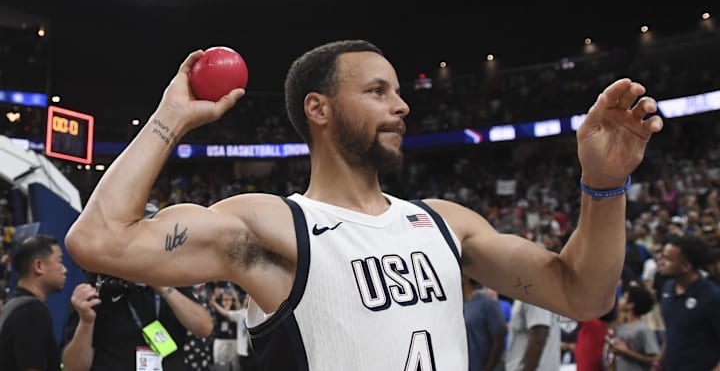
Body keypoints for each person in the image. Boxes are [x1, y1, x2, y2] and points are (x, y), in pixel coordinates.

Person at [64, 39, 664, 370]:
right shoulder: (274, 225)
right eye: (378, 91)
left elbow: (584, 295)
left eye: (399, 93)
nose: (401, 106)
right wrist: (171, 116)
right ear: (319, 110)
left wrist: (603, 184)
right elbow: (99, 241)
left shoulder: (443, 222)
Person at [60, 271, 214, 371]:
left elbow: (204, 328)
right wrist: (86, 322)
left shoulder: (170, 280)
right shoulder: (95, 291)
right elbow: (73, 367)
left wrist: (163, 287)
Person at [0, 235, 67, 371]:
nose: (64, 270)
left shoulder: (11, 306)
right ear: (39, 266)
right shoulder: (31, 312)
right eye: (59, 261)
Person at [654, 236, 720, 371]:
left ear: (686, 266)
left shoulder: (712, 296)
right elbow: (673, 332)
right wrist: (658, 363)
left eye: (667, 259)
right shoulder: (667, 287)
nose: (660, 262)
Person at [608, 282, 659, 370]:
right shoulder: (619, 327)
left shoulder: (643, 329)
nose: (620, 299)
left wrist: (628, 353)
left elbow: (655, 359)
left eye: (624, 297)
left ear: (631, 305)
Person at [461, 275, 507, 371]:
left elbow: (499, 339)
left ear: (465, 277)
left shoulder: (487, 304)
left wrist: (488, 368)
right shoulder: (458, 306)